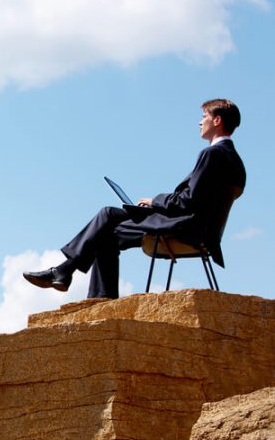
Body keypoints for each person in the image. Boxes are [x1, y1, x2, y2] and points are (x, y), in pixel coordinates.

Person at [23, 99, 246, 299]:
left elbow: (188, 201)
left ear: (217, 120)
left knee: (106, 224)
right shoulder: (235, 162)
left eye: (204, 117)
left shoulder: (211, 154)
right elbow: (199, 201)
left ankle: (81, 284)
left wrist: (154, 201)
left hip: (186, 227)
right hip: (202, 230)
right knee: (107, 220)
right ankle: (68, 276)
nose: (200, 122)